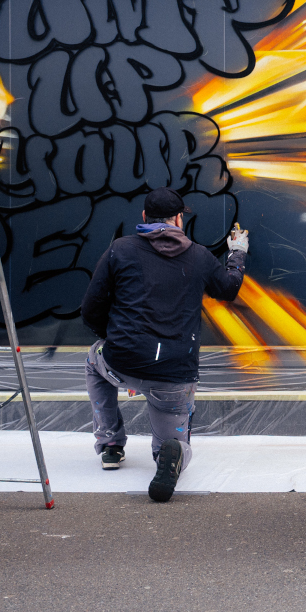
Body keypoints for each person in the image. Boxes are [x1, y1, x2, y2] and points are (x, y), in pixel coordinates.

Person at [80, 187, 248, 501]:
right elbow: (228, 289)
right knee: (172, 445)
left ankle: (111, 444)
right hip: (174, 376)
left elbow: (90, 309)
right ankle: (171, 453)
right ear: (179, 219)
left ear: (144, 216)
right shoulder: (199, 256)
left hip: (121, 362)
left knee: (93, 361)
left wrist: (117, 344)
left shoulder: (120, 250)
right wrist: (237, 253)